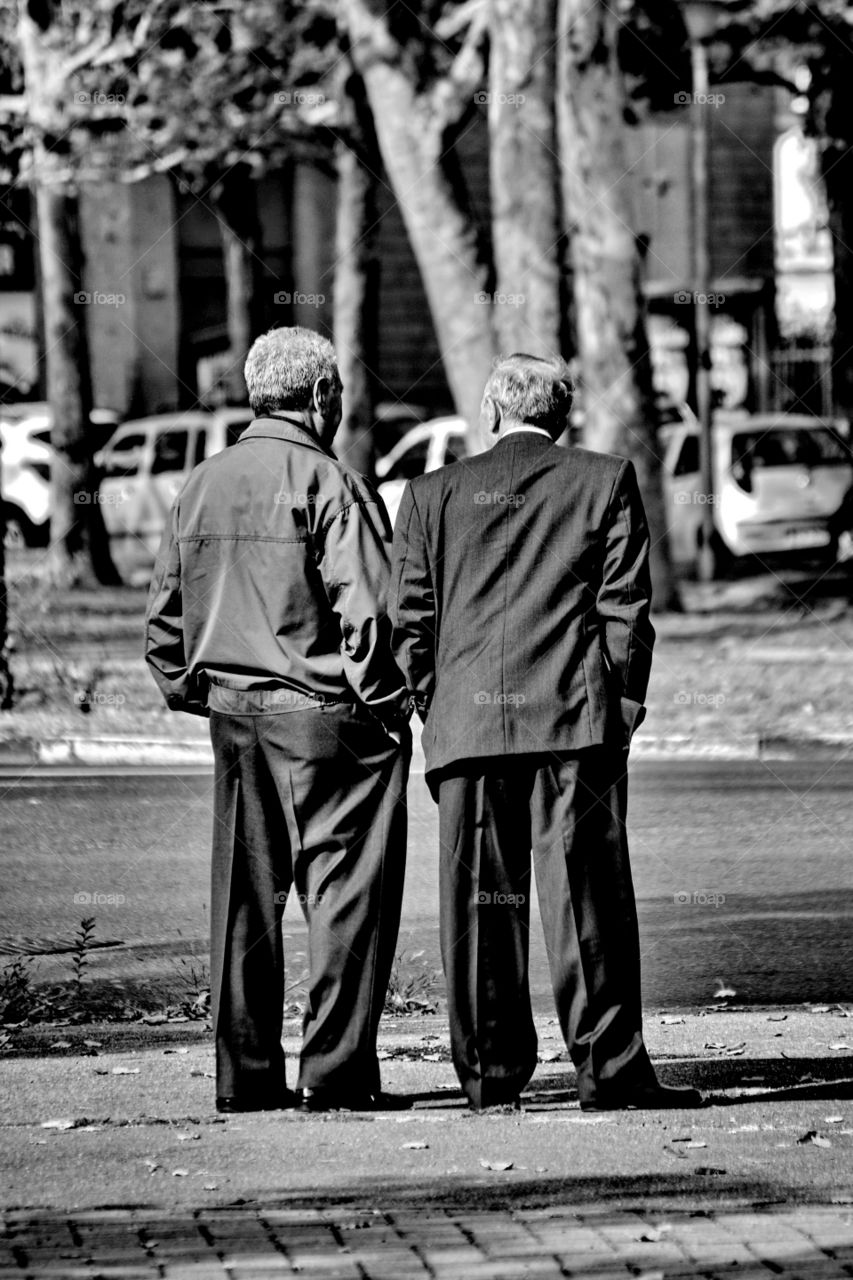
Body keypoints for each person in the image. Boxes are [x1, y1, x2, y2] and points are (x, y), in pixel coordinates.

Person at [390, 353, 702, 1112]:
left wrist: (437, 706)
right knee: (585, 901)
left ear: (492, 412)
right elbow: (626, 614)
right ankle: (610, 1070)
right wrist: (617, 711)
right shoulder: (602, 479)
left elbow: (408, 623)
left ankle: (490, 1079)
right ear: (559, 416)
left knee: (476, 906)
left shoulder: (430, 494)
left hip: (468, 729)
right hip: (573, 723)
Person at [145, 326, 411, 1114]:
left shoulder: (201, 482)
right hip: (328, 717)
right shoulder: (330, 481)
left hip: (234, 716)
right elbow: (368, 618)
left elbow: (164, 623)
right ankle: (335, 1075)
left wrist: (200, 691)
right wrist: (389, 710)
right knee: (346, 898)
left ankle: (247, 1078)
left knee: (244, 904)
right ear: (322, 397)